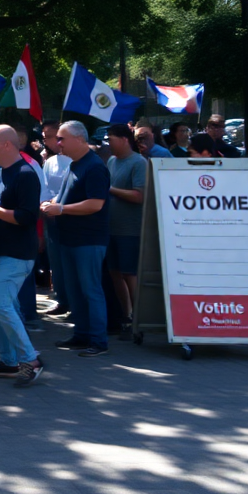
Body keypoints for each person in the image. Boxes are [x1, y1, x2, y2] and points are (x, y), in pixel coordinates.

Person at [0, 125, 45, 387]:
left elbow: (26, 217)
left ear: (6, 145)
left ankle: (30, 360)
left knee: (0, 305)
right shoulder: (1, 172)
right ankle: (9, 362)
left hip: (16, 254)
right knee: (3, 306)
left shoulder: (26, 174)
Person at [40, 120, 111, 358]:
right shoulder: (74, 165)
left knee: (90, 289)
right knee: (75, 290)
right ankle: (81, 335)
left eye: (62, 138)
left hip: (88, 240)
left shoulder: (94, 167)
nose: (57, 143)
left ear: (79, 139)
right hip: (68, 238)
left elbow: (95, 203)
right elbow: (64, 197)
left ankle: (98, 341)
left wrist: (61, 209)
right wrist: (52, 204)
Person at [105, 123, 146, 336]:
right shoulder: (112, 161)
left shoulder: (139, 163)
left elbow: (139, 196)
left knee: (130, 273)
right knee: (115, 273)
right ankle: (125, 315)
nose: (108, 143)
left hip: (130, 230)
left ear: (124, 139)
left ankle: (138, 319)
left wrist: (109, 189)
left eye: (111, 138)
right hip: (111, 228)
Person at [40, 121, 73, 316]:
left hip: (70, 219)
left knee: (71, 264)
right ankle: (62, 300)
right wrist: (44, 204)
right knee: (56, 263)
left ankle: (74, 301)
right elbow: (44, 188)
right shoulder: (50, 162)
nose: (49, 141)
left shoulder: (75, 161)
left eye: (51, 137)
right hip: (51, 220)